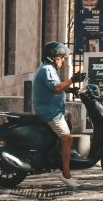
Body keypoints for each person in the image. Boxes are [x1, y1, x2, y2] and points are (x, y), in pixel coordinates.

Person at [33, 42, 86, 188]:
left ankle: (62, 150)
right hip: (50, 112)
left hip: (54, 109)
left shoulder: (46, 68)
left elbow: (53, 87)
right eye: (60, 58)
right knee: (67, 137)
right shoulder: (47, 69)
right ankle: (66, 174)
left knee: (68, 116)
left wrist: (68, 90)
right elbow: (56, 88)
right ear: (52, 58)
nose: (62, 61)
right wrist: (72, 80)